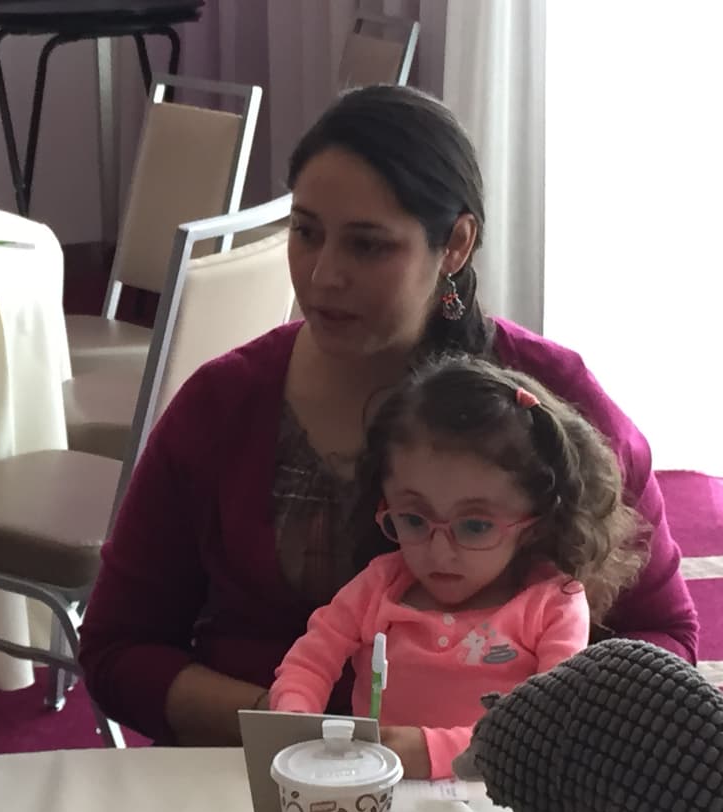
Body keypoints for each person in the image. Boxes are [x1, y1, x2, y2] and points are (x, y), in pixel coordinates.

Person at [77, 85, 698, 747]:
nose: (321, 277)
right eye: (305, 233)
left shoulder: (548, 394)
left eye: (368, 247)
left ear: (455, 244)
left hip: (502, 793)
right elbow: (119, 648)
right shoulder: (224, 404)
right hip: (255, 777)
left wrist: (513, 742)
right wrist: (298, 725)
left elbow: (662, 638)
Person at [270, 357, 646, 779]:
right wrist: (294, 723)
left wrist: (434, 752)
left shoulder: (552, 606)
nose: (439, 551)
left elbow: (553, 730)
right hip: (373, 792)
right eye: (413, 518)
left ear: (535, 525)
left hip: (500, 808)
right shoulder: (380, 584)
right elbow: (309, 663)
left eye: (475, 525)